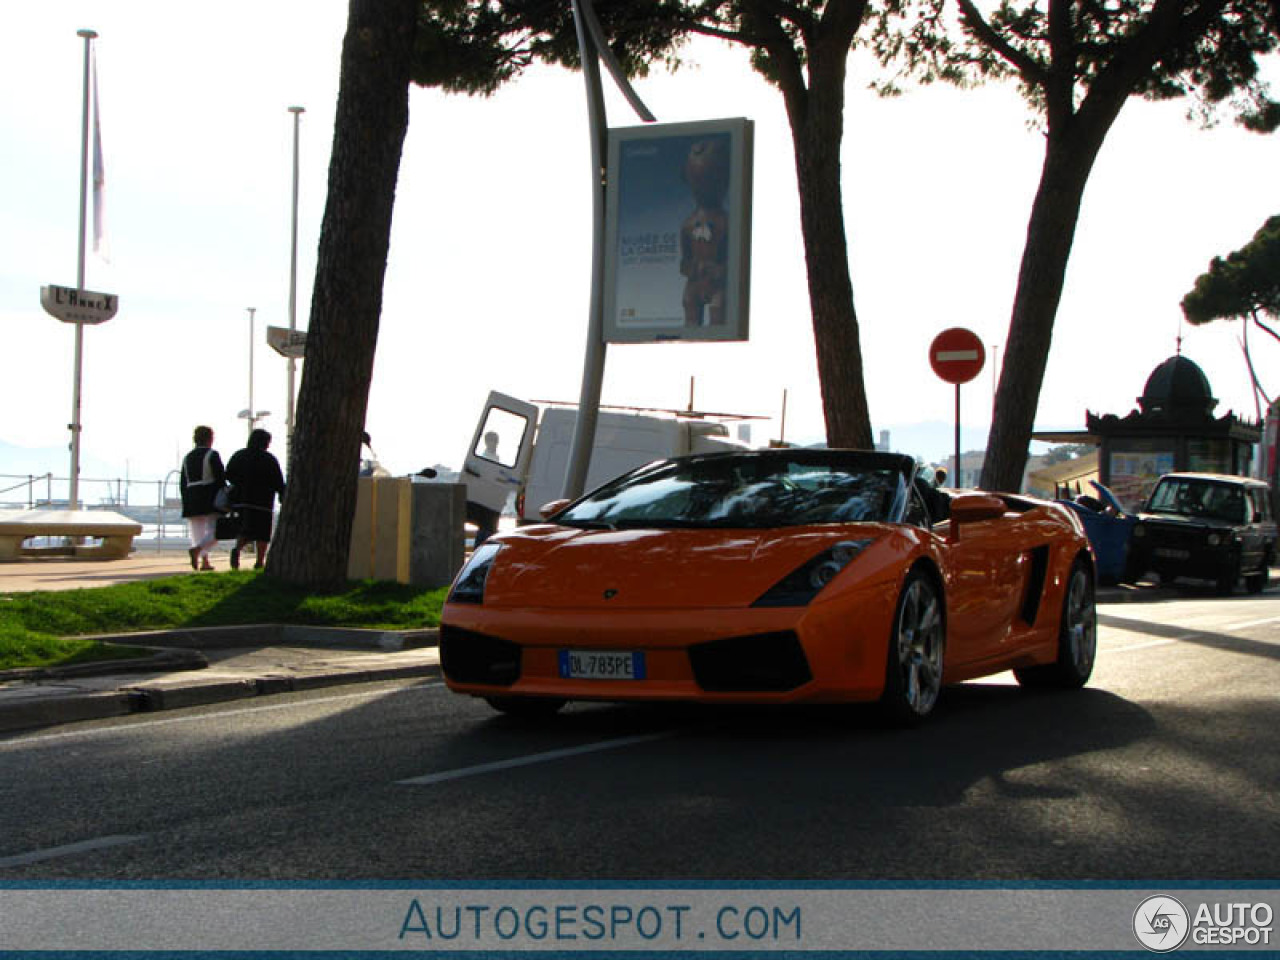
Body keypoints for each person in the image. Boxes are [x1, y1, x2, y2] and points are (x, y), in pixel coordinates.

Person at [225, 428, 286, 570]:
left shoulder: (239, 455)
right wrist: (282, 494)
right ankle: (259, 561)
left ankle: (237, 549)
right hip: (262, 502)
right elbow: (278, 480)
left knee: (245, 530)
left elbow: (228, 474)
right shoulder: (269, 459)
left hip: (241, 500)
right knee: (262, 533)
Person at [178, 425, 225, 571]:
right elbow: (220, 478)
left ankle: (204, 560)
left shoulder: (187, 457)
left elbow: (183, 482)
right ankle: (198, 550)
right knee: (217, 530)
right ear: (209, 439)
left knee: (197, 532)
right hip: (209, 496)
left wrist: (185, 499)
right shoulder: (212, 454)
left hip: (191, 497)